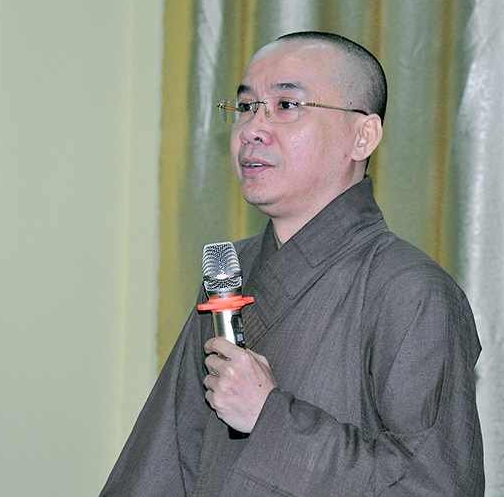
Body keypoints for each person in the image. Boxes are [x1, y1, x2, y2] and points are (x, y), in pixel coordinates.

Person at [100, 31, 484, 496]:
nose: (251, 129)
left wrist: (271, 418)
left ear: (362, 136)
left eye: (286, 105)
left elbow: (435, 487)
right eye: (246, 107)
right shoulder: (231, 272)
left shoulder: (411, 290)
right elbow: (164, 458)